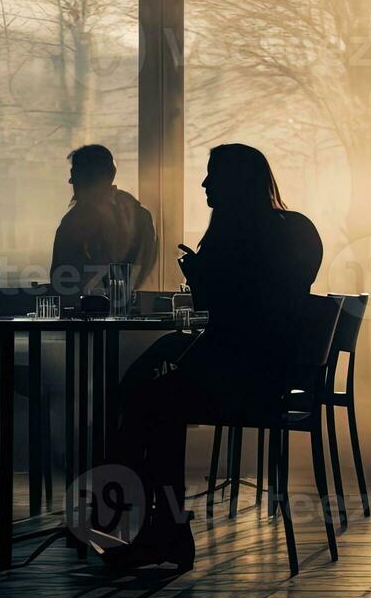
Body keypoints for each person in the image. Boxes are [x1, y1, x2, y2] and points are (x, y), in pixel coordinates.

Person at [103, 144, 320, 571]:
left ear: (235, 184)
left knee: (150, 403)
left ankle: (152, 521)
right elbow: (269, 309)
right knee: (152, 398)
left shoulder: (234, 238)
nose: (204, 184)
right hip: (274, 373)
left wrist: (202, 278)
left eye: (212, 176)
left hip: (242, 375)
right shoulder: (296, 229)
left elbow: (226, 316)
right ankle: (157, 522)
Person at [49, 144, 157, 299]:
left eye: (78, 175)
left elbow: (61, 281)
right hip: (130, 310)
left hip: (91, 312)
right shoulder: (137, 214)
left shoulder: (73, 221)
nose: (73, 183)